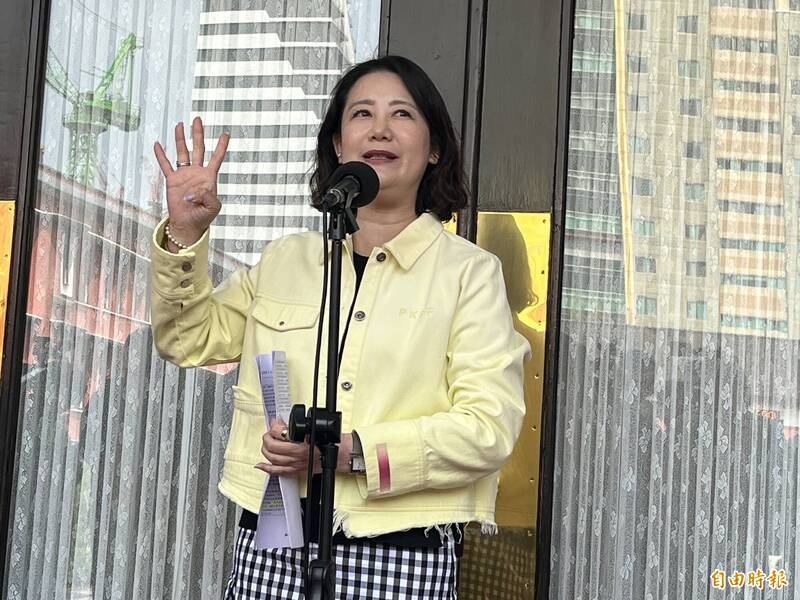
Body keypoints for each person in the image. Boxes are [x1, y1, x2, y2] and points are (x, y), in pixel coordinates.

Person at [150, 55, 530, 599]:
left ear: (434, 148)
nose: (380, 129)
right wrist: (185, 234)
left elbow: (487, 427)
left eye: (402, 114)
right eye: (362, 114)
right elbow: (186, 339)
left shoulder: (468, 273)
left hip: (403, 550)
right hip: (272, 541)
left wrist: (348, 454)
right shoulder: (287, 259)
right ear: (337, 143)